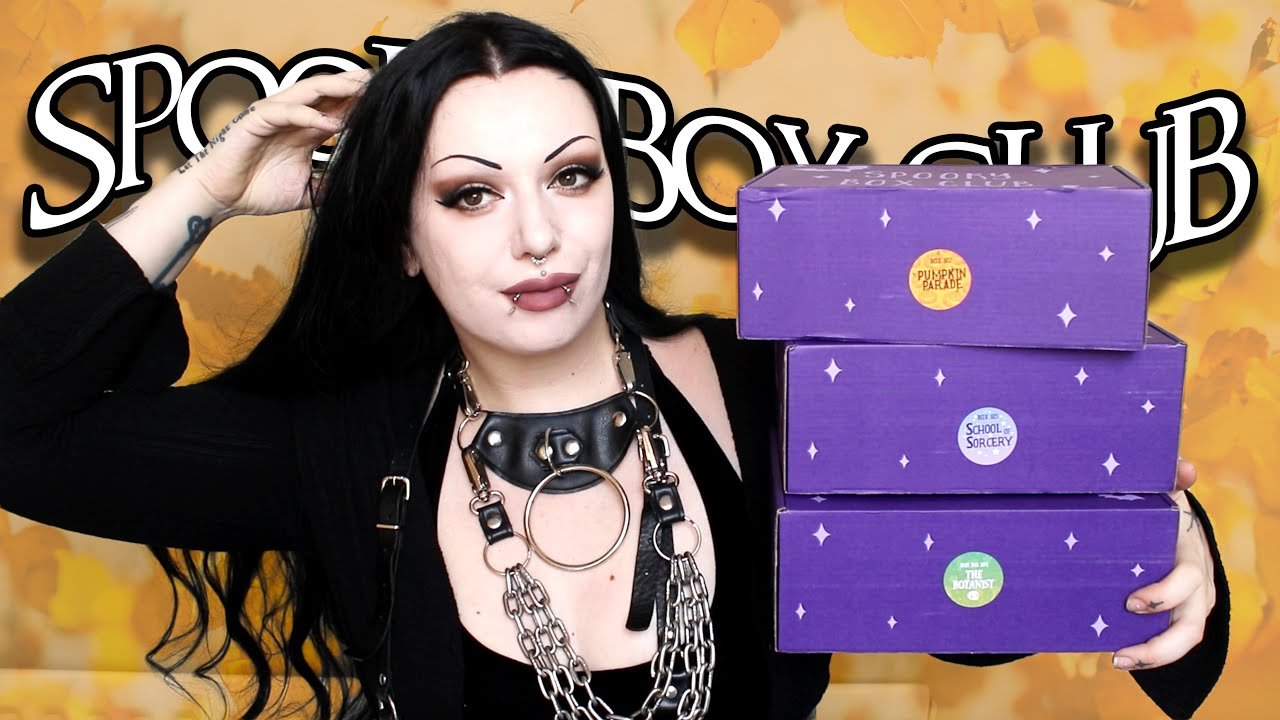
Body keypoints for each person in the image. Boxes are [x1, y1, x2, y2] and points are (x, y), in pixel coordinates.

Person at [0, 11, 1228, 720]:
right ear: (405, 242)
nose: (537, 236)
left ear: (610, 196)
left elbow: (1004, 599)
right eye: (470, 195)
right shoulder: (341, 446)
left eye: (570, 176)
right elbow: (15, 425)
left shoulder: (788, 390)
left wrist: (1158, 548)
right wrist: (210, 187)